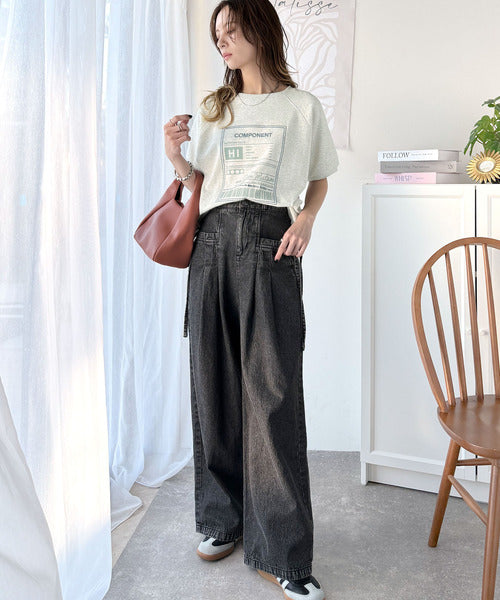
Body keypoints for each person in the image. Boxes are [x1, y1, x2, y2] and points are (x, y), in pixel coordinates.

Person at [164, 1, 338, 599]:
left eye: (233, 30)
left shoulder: (301, 107)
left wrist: (307, 217)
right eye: (218, 33)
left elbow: (318, 176)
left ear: (261, 31)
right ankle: (223, 520)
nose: (224, 42)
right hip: (211, 247)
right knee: (213, 389)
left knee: (273, 397)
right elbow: (200, 185)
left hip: (271, 245)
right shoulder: (216, 106)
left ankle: (285, 554)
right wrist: (176, 157)